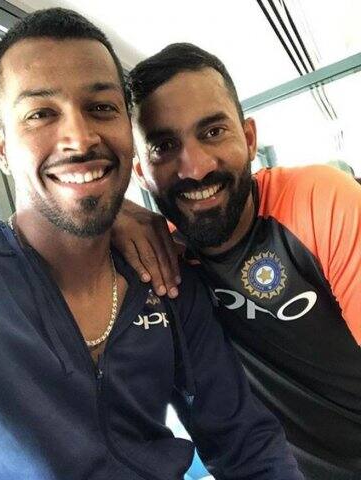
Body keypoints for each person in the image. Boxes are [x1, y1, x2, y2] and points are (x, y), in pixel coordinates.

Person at [0, 9, 303, 480]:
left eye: (101, 108)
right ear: (1, 148)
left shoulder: (168, 279)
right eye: (41, 114)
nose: (79, 139)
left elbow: (248, 446)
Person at [112, 42, 361, 479]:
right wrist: (111, 213)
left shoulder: (319, 202)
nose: (195, 168)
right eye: (164, 146)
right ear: (141, 173)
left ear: (248, 138)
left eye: (212, 132)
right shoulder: (160, 259)